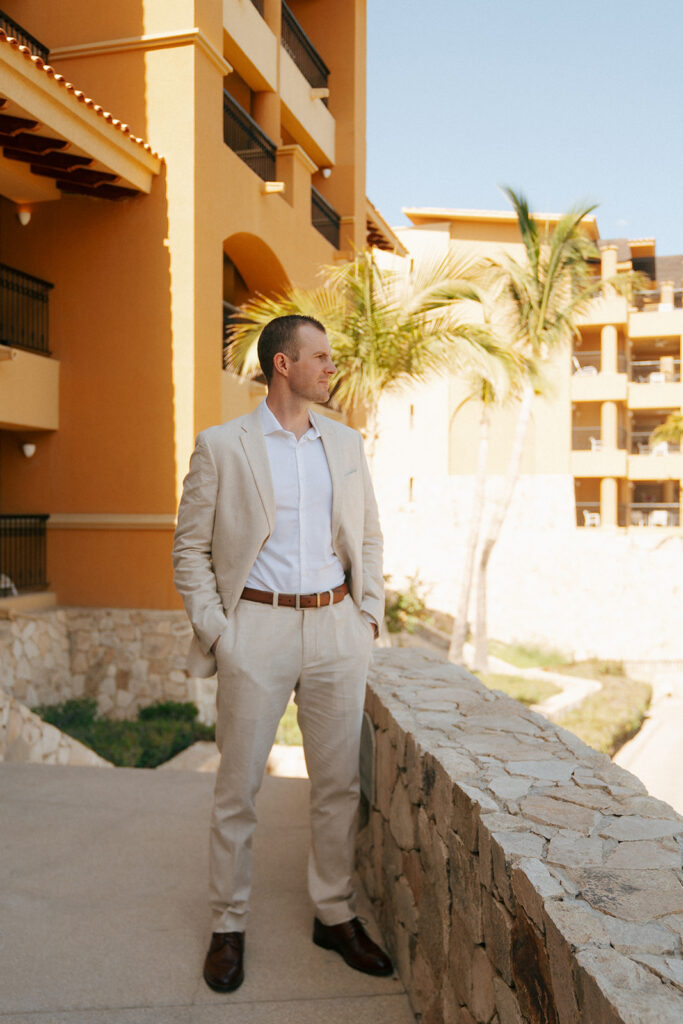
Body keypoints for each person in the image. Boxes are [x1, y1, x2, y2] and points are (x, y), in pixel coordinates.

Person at [173, 314, 392, 992]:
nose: (331, 368)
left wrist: (366, 617)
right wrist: (220, 633)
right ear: (283, 366)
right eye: (320, 358)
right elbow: (190, 550)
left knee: (337, 787)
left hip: (335, 630)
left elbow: (370, 536)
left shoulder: (347, 443)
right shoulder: (223, 446)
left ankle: (332, 913)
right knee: (237, 788)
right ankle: (228, 924)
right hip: (256, 632)